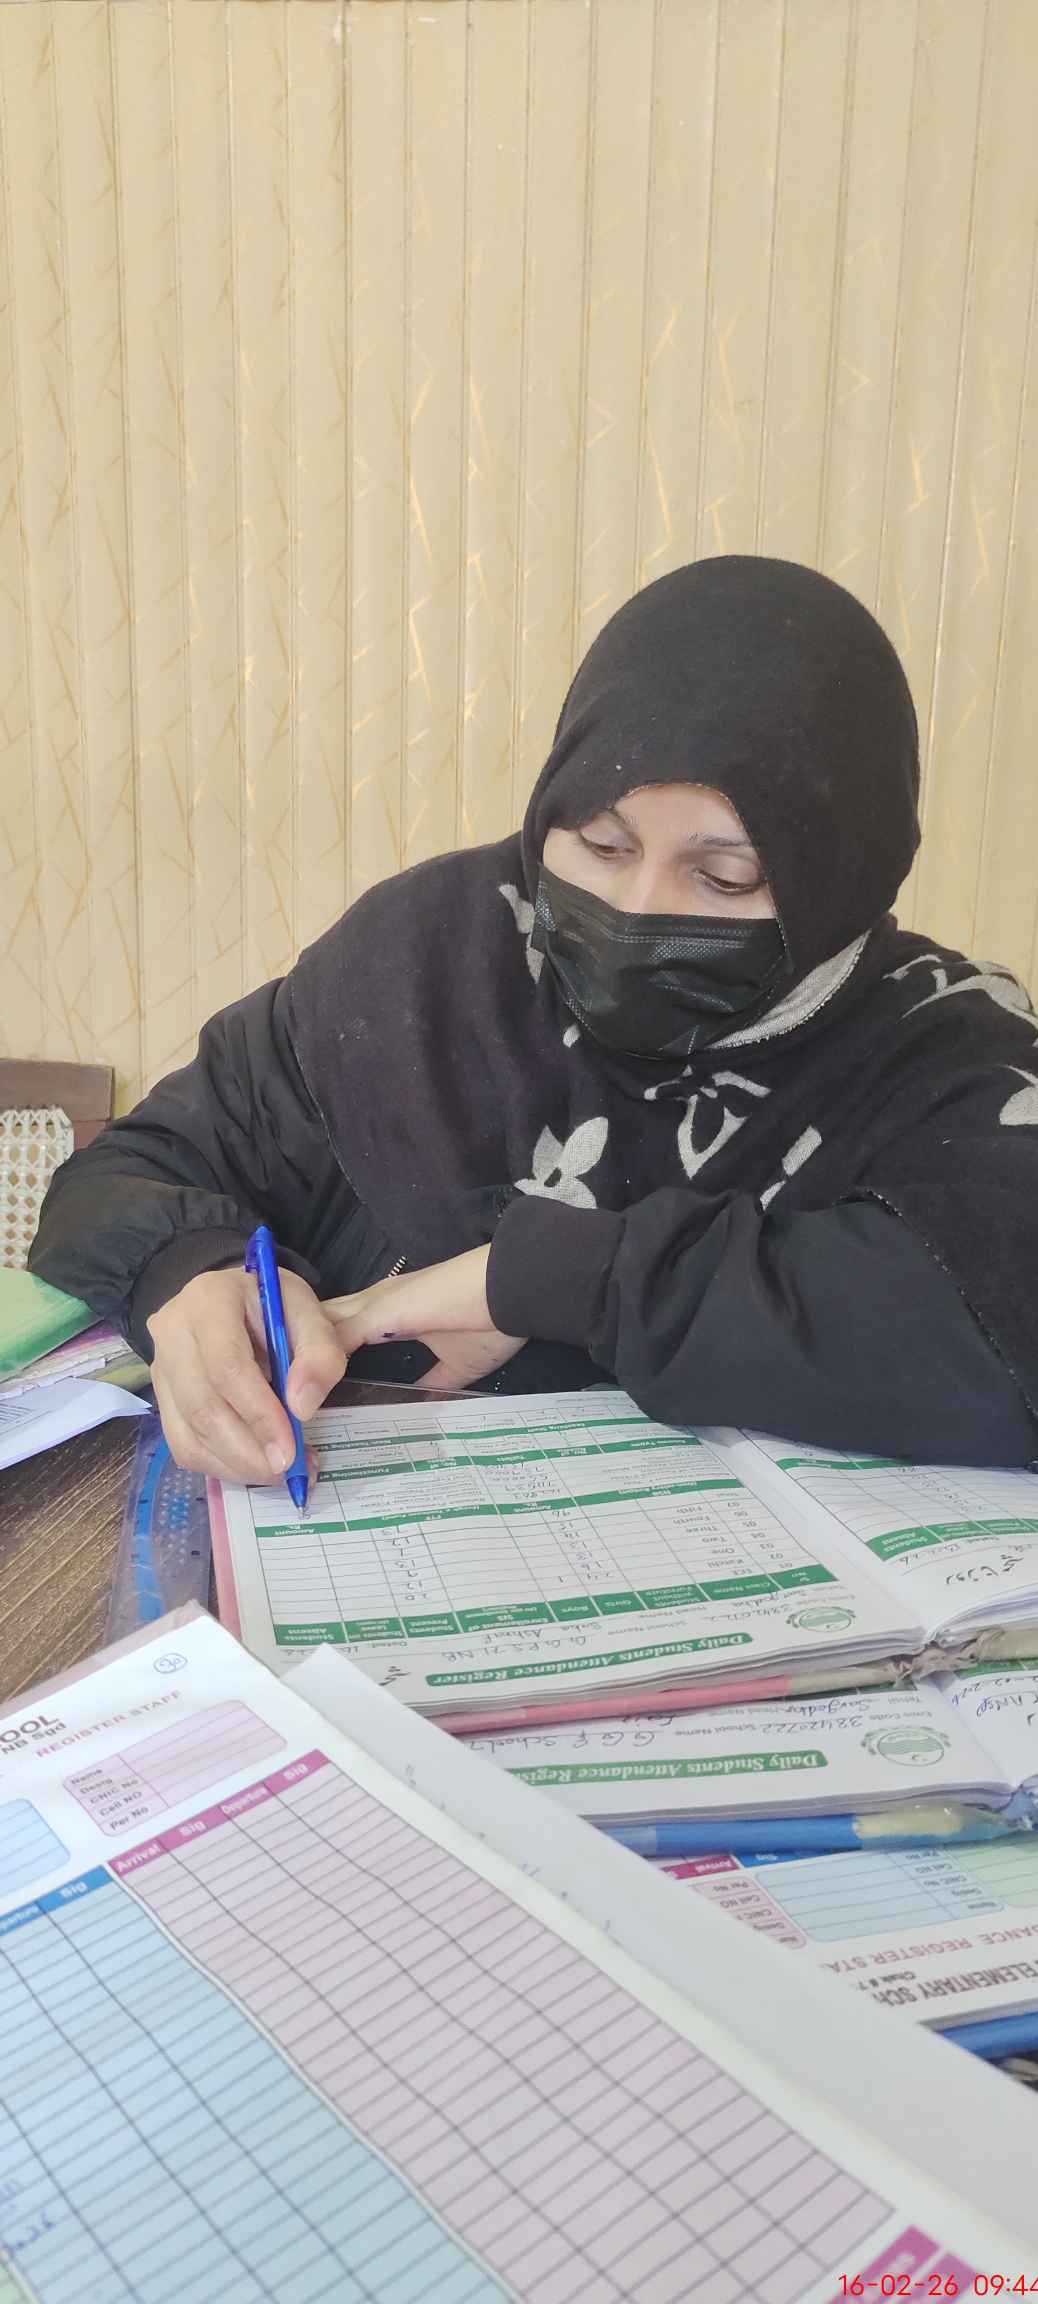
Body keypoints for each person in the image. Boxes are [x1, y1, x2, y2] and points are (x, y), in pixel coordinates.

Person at [31, 556, 1038, 1484]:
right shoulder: (432, 957)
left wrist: (558, 1278)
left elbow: (1003, 1331)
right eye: (601, 844)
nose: (638, 909)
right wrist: (188, 1274)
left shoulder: (938, 1043)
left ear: (846, 876)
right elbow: (124, 1176)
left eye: (727, 876)